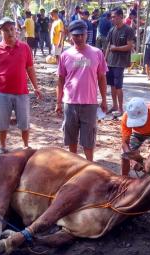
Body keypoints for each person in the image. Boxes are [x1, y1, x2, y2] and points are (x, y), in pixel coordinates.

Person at [0, 17, 42, 155]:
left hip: (22, 92)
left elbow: (30, 68)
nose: (10, 33)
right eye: (6, 30)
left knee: (24, 122)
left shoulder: (24, 47)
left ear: (16, 30)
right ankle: (3, 147)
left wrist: (36, 87)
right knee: (2, 122)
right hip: (2, 93)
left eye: (12, 29)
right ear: (0, 32)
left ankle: (26, 145)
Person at [56, 19, 108, 161]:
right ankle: (74, 164)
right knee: (71, 136)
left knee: (88, 138)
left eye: (81, 35)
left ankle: (89, 165)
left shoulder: (97, 53)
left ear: (86, 34)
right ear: (70, 36)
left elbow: (102, 77)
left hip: (90, 103)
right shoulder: (65, 55)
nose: (79, 38)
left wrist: (104, 99)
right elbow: (60, 80)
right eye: (75, 35)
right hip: (70, 102)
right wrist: (58, 102)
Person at [120, 97, 150, 176]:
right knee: (124, 155)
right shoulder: (126, 116)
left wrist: (148, 162)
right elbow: (125, 143)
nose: (138, 126)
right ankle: (123, 179)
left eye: (139, 122)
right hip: (137, 133)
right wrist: (132, 159)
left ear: (147, 112)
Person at [105, 7, 134, 116]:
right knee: (111, 85)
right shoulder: (112, 30)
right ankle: (114, 105)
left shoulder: (128, 30)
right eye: (111, 17)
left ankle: (121, 109)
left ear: (121, 17)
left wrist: (116, 48)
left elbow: (129, 46)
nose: (112, 19)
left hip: (120, 62)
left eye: (114, 17)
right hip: (111, 62)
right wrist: (104, 59)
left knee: (118, 86)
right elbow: (108, 45)